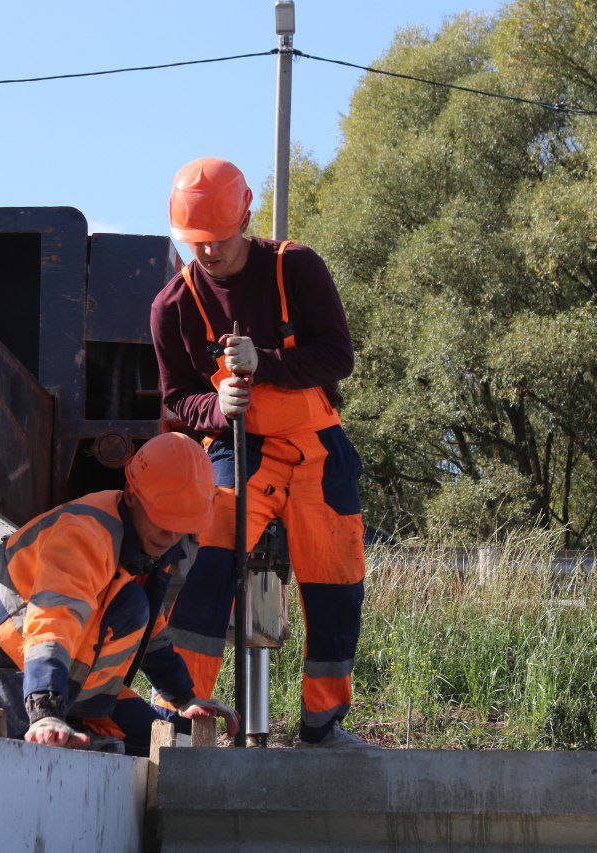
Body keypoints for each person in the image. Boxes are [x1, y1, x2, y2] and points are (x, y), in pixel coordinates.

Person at [150, 157, 373, 749]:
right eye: (195, 242)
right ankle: (180, 713)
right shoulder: (172, 306)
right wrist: (217, 407)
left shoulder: (294, 268)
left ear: (245, 218)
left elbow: (337, 358)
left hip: (317, 447)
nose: (208, 253)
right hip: (237, 448)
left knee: (337, 579)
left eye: (218, 240)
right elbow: (177, 401)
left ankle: (323, 725)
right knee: (208, 556)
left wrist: (264, 364)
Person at [0, 432, 238, 756]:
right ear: (131, 495)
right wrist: (46, 712)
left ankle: (68, 714)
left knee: (156, 742)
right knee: (129, 607)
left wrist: (185, 699)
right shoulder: (85, 534)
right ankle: (44, 717)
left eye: (180, 525)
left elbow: (152, 637)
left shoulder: (151, 547)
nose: (170, 535)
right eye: (162, 520)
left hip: (56, 680)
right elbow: (53, 622)